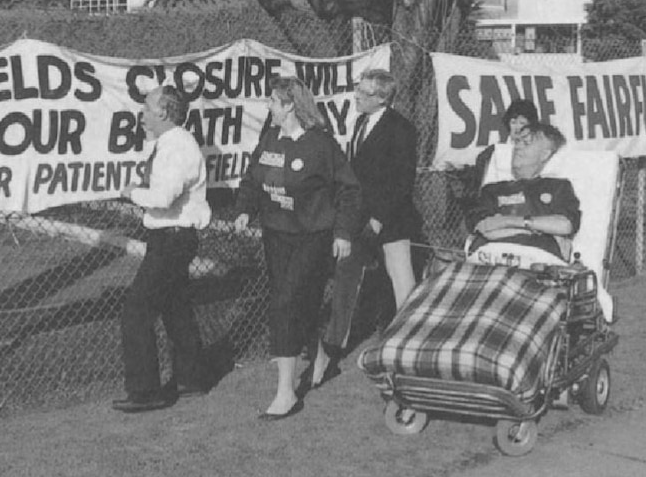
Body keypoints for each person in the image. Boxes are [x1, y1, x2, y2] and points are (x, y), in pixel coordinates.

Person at [234, 76, 361, 420]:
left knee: (286, 302)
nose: (269, 108)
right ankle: (318, 356)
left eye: (274, 102)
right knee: (295, 301)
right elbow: (252, 178)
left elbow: (349, 190)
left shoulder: (321, 145)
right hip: (276, 235)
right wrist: (245, 209)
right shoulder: (270, 138)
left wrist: (344, 233)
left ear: (290, 105)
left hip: (312, 236)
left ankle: (285, 393)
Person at [310, 69, 421, 389]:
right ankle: (332, 347)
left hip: (391, 221)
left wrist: (379, 218)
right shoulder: (360, 122)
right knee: (346, 276)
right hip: (358, 218)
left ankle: (409, 343)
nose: (355, 96)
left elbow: (402, 181)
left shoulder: (402, 130)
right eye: (357, 90)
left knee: (402, 281)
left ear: (381, 98)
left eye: (362, 92)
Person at [112, 84, 213, 413]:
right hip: (167, 235)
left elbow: (162, 198)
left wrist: (131, 193)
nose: (141, 115)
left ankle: (145, 390)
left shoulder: (177, 147)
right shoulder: (166, 144)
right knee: (175, 308)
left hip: (173, 238)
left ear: (164, 112)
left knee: (136, 309)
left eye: (146, 109)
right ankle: (191, 377)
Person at [466, 122, 581, 262]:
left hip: (537, 264)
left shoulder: (558, 187)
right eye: (517, 142)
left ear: (544, 155)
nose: (518, 147)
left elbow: (565, 225)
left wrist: (507, 222)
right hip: (491, 259)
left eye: (526, 143)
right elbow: (482, 226)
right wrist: (536, 228)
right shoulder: (492, 190)